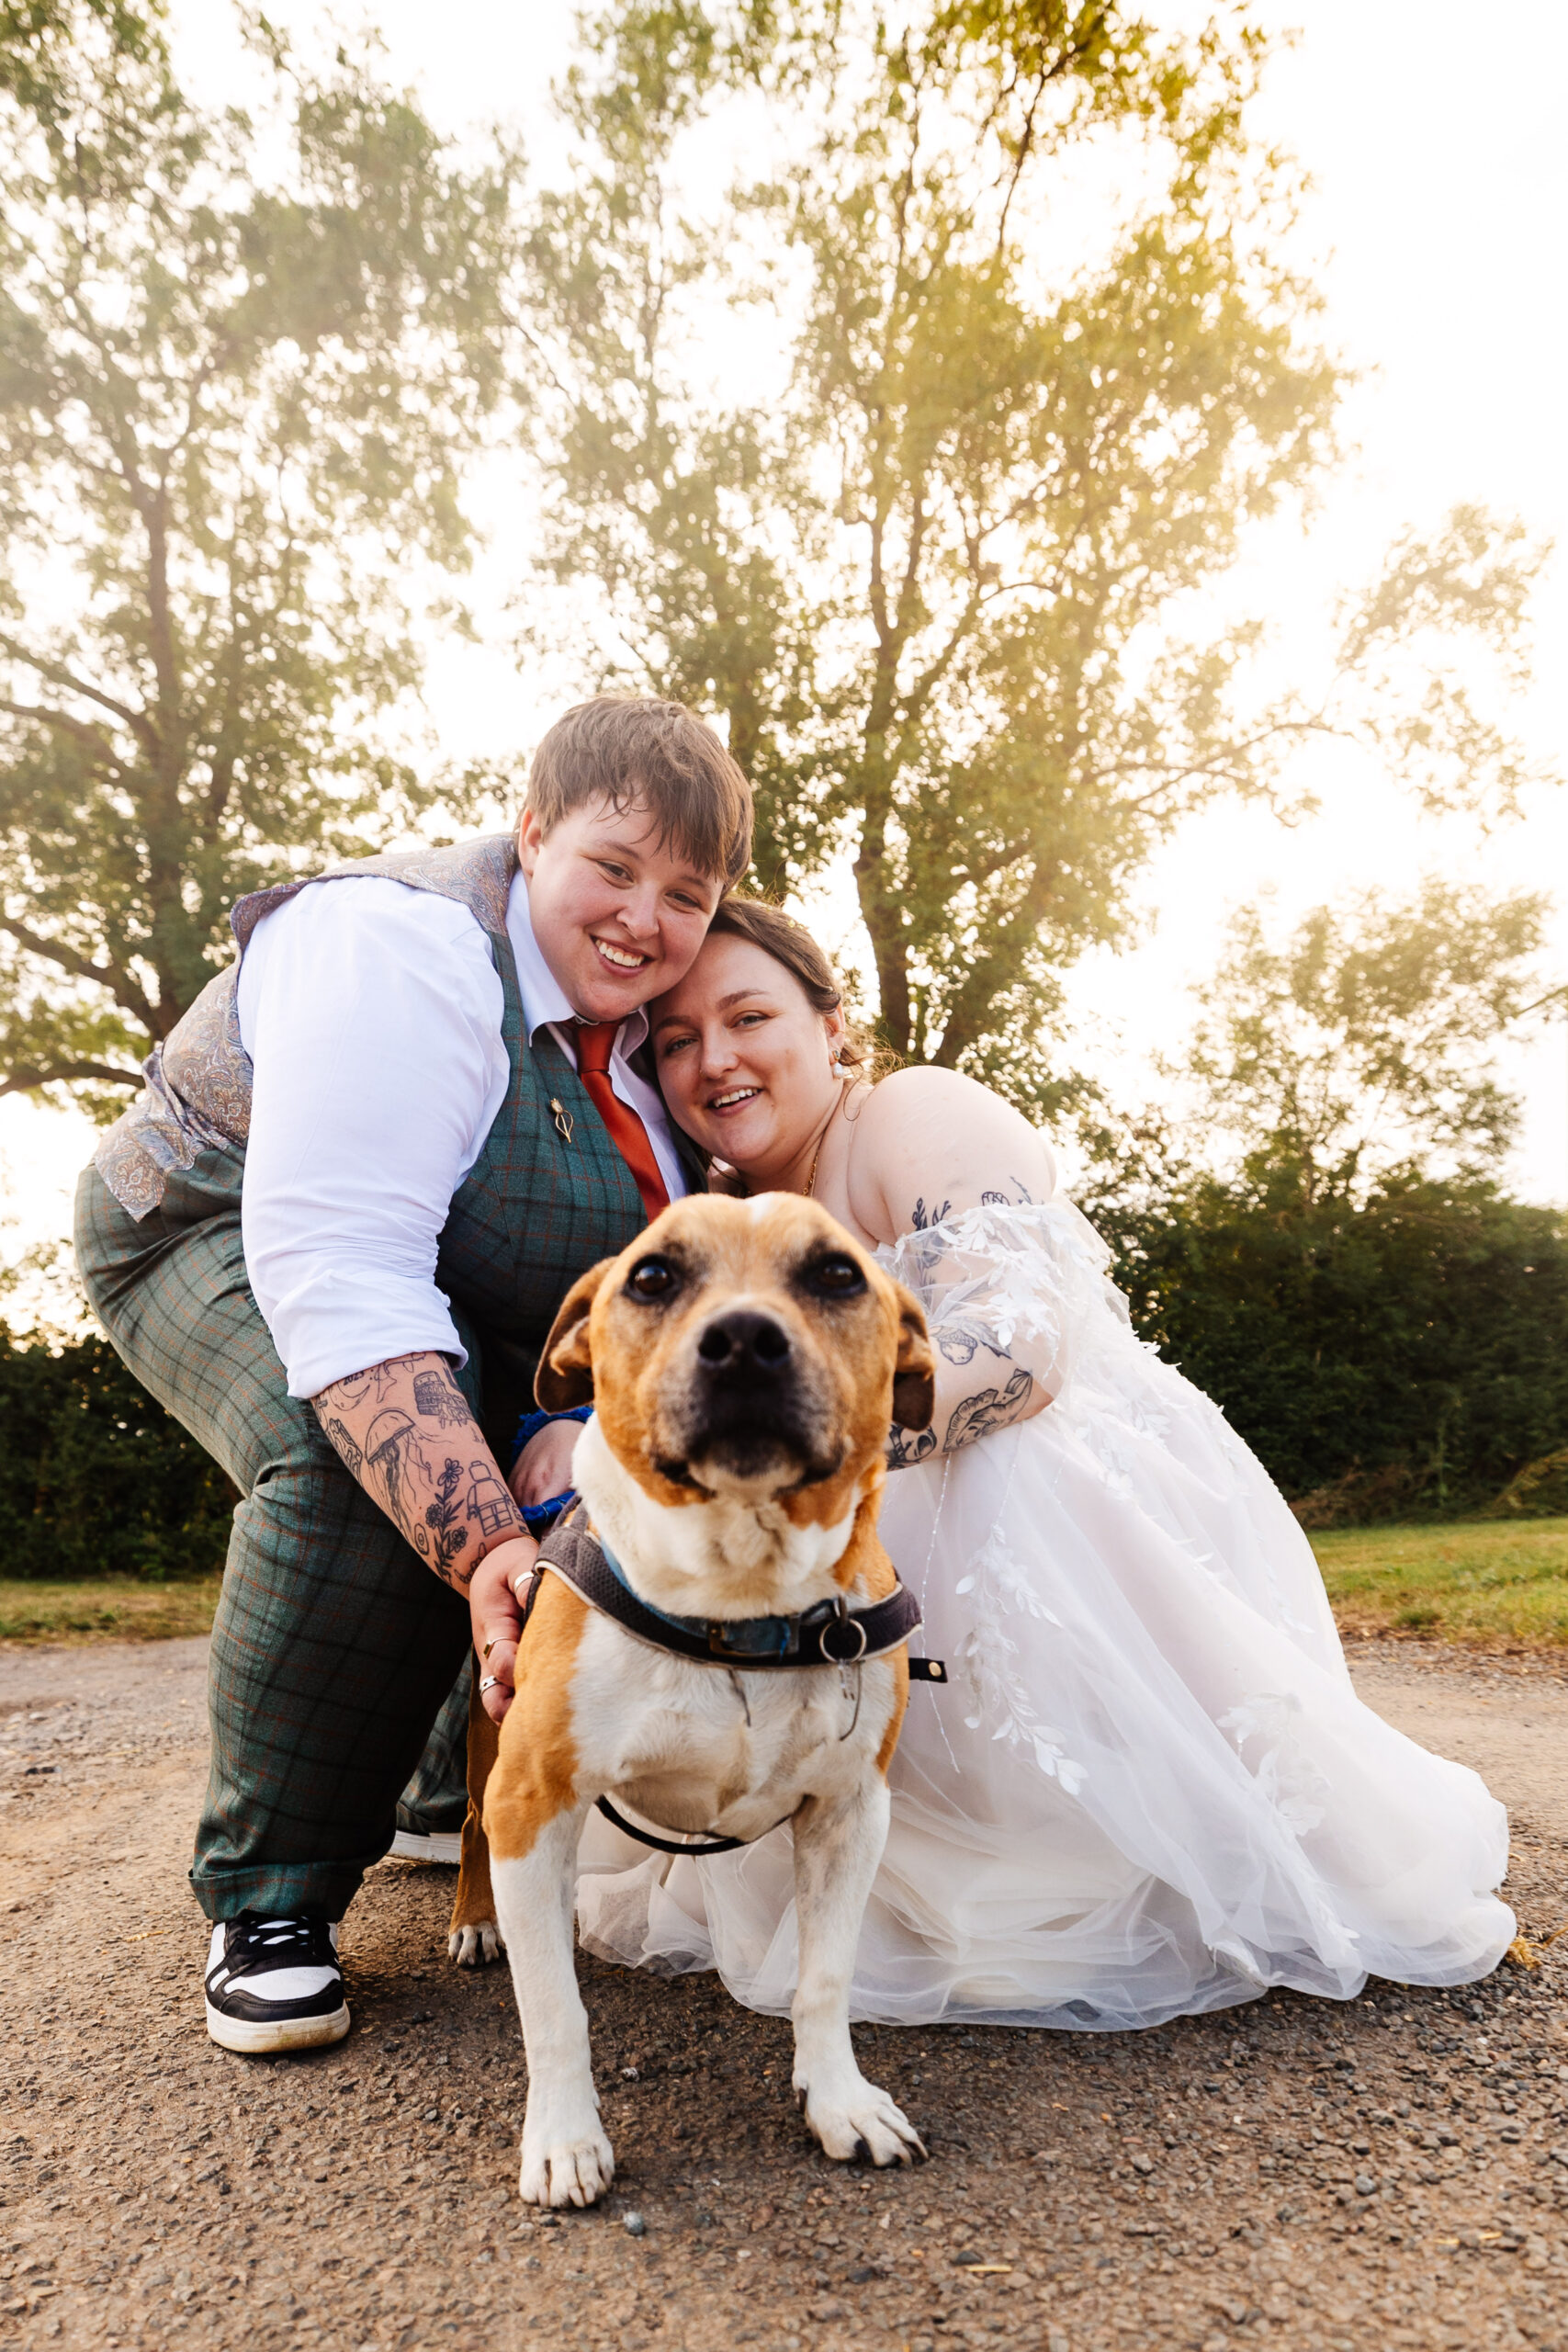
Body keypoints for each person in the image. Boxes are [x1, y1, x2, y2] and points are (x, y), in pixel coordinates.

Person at [558, 896, 1514, 2030]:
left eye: (748, 1015)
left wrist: (801, 1459)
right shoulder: (722, 1220)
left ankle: (1089, 1838)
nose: (714, 1058)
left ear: (832, 1026)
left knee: (1002, 1464)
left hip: (1058, 1486)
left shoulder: (911, 1111)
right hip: (869, 1527)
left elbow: (1021, 1345)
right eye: (674, 1041)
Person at [74, 695, 752, 2052]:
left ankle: (446, 1780)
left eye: (687, 891)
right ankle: (270, 1895)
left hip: (443, 1276)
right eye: (612, 870)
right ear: (530, 833)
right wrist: (485, 1534)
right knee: (354, 1452)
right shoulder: (402, 947)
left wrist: (575, 1436)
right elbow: (344, 1279)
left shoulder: (653, 1024)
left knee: (543, 1460)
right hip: (208, 1229)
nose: (643, 918)